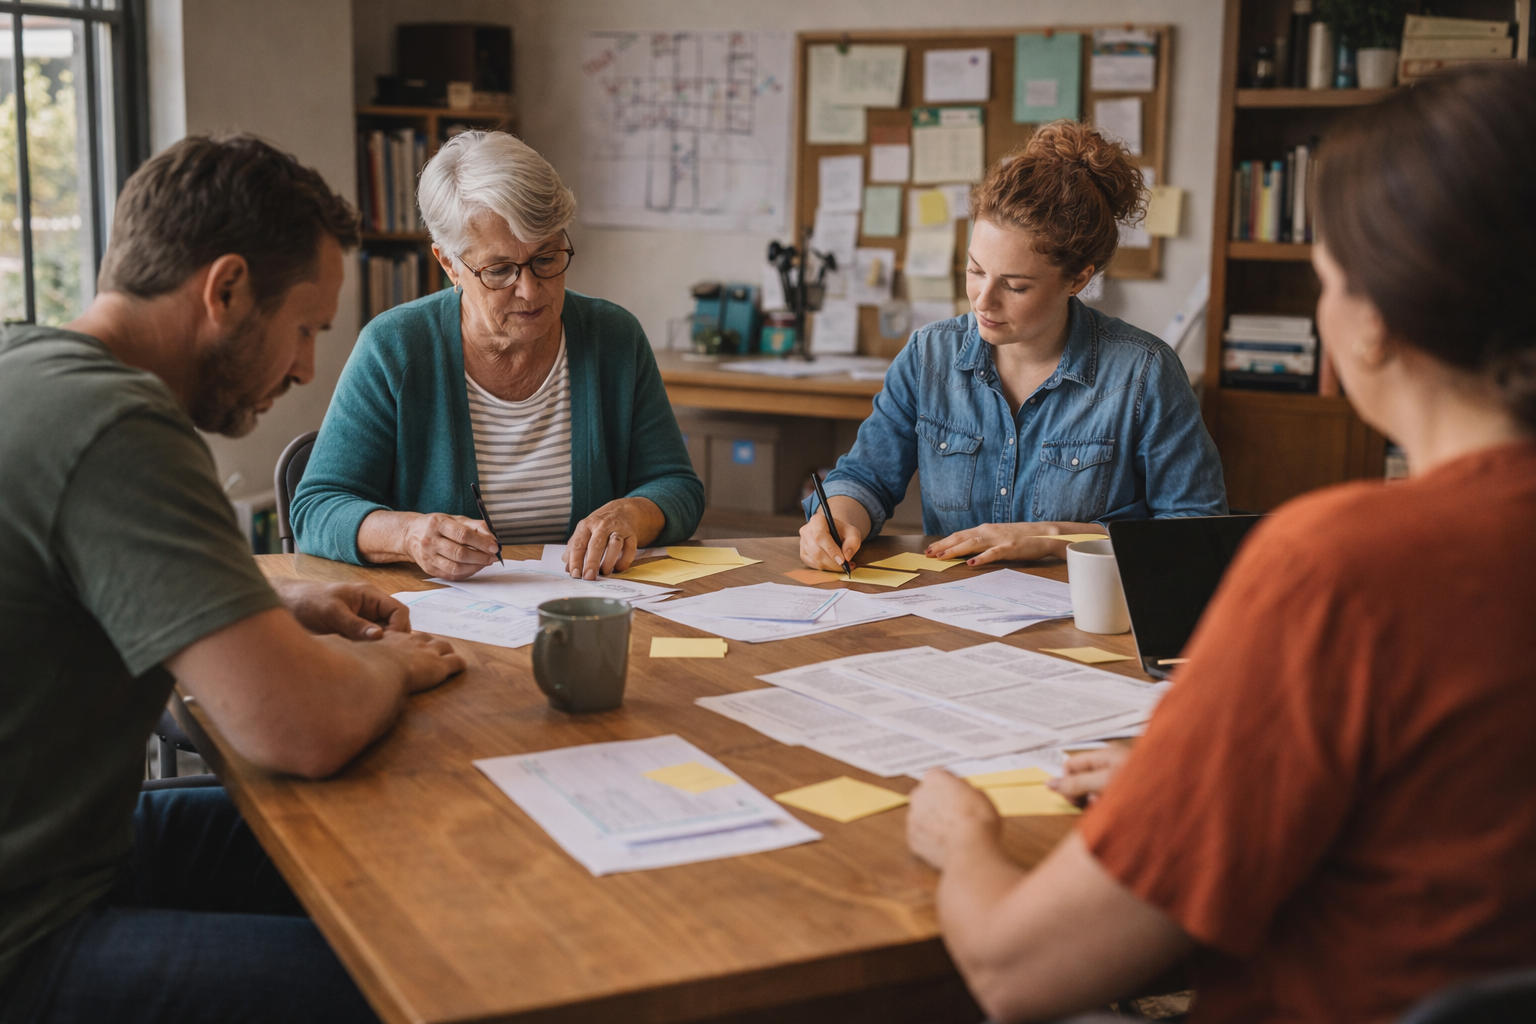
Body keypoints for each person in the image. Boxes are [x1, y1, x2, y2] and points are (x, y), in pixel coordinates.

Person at [903, 63, 1536, 1024]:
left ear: (1370, 321)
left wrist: (964, 837)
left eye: (1325, 275)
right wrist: (1212, 768)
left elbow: (1016, 969)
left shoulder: (1338, 565)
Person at [0, 134, 465, 1023]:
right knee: (437, 985)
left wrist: (263, 605)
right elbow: (302, 729)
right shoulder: (119, 424)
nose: (302, 370)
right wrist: (395, 665)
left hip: (68, 848)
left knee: (400, 854)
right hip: (29, 932)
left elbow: (81, 605)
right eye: (306, 330)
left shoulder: (30, 367)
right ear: (226, 289)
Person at [801, 122, 1225, 572]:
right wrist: (840, 515)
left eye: (1016, 286)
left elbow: (1195, 533)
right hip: (955, 617)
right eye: (975, 270)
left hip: (1087, 624)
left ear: (1078, 278)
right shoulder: (930, 355)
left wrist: (1056, 537)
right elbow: (865, 477)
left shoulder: (1144, 374)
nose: (983, 300)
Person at [292, 131, 703, 582]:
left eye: (547, 259)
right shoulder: (394, 348)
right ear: (449, 264)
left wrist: (633, 515)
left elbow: (678, 487)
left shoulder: (614, 339)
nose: (529, 290)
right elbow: (317, 508)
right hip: (441, 625)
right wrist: (409, 534)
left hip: (589, 611)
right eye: (500, 270)